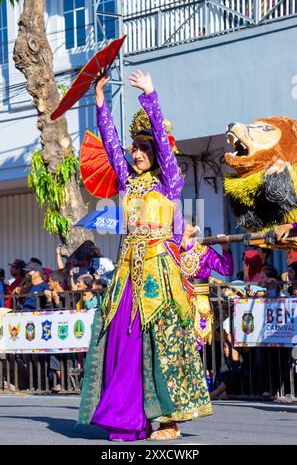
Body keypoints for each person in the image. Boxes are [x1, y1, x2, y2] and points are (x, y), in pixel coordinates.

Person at [78, 70, 212, 441]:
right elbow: (110, 143)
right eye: (135, 148)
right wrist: (100, 101)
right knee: (123, 342)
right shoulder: (127, 181)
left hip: (159, 274)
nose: (137, 154)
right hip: (126, 276)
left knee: (161, 346)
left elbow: (167, 150)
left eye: (145, 148)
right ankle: (129, 418)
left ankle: (168, 420)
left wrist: (151, 97)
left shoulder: (170, 180)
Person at [180, 224, 234, 347]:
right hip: (181, 301)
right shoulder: (174, 250)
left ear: (193, 229)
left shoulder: (203, 250)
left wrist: (225, 248)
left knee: (199, 340)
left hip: (200, 302)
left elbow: (226, 269)